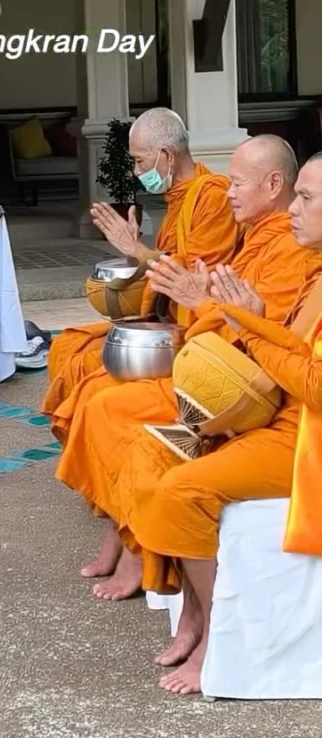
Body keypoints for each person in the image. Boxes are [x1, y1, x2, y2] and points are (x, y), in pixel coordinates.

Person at [57, 136, 319, 602]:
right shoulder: (265, 235)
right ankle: (125, 535)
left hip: (259, 402)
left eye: (307, 197)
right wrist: (192, 291)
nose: (229, 193)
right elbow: (236, 305)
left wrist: (207, 303)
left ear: (272, 182)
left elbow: (266, 336)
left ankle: (156, 567)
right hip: (223, 366)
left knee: (109, 408)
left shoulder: (289, 246)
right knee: (84, 370)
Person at [110, 150, 322, 695]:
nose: (294, 209)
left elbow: (313, 385)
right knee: (153, 448)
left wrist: (246, 323)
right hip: (266, 414)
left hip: (304, 441)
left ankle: (213, 639)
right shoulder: (307, 262)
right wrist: (238, 314)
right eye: (295, 195)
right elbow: (268, 339)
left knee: (182, 489)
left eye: (307, 198)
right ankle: (193, 611)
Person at [43, 107, 239, 424]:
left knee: (87, 366)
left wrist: (137, 249)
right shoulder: (180, 197)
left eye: (139, 160)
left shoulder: (212, 195)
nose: (136, 171)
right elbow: (164, 265)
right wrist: (136, 255)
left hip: (195, 328)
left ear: (166, 155)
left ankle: (95, 430)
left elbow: (193, 274)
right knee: (67, 343)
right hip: (166, 317)